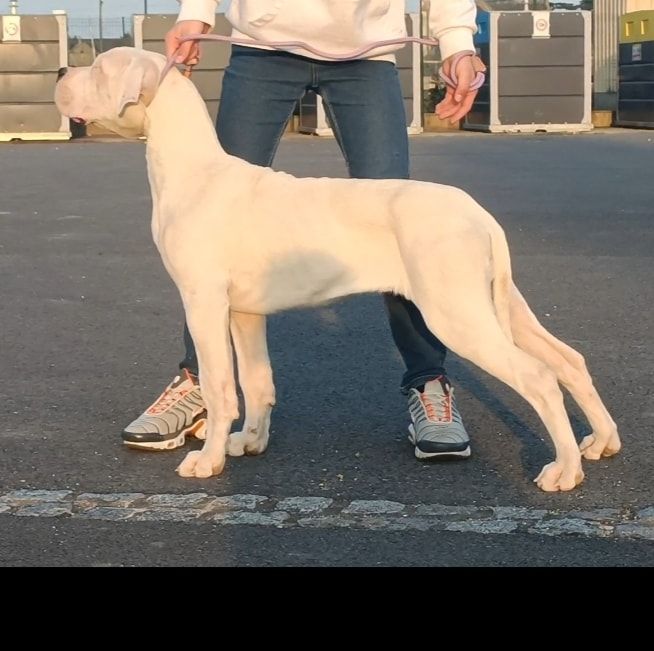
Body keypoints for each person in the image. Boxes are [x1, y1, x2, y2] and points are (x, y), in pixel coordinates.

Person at [122, 0, 481, 461]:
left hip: (367, 49)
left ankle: (428, 382)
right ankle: (199, 384)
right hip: (262, 46)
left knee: (399, 230)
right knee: (206, 238)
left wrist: (457, 41)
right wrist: (196, 12)